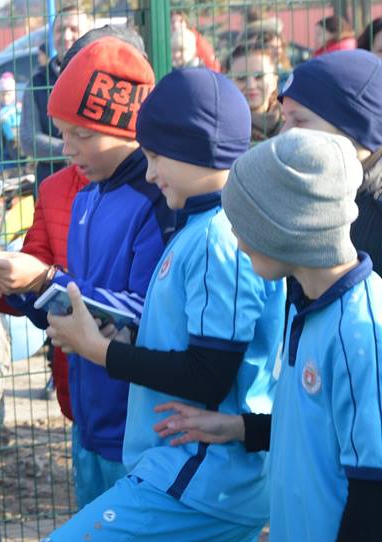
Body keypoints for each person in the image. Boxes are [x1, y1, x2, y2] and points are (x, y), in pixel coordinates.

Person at [43, 67, 284, 541]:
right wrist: (128, 336)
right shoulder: (200, 226)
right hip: (189, 472)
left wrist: (100, 350)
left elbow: (209, 374)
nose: (149, 173)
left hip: (203, 477)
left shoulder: (222, 237)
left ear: (197, 149)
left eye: (155, 157)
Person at [154, 129, 382, 542]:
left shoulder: (362, 331)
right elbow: (318, 431)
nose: (238, 243)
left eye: (247, 227)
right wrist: (240, 428)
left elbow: (374, 490)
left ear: (288, 228)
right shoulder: (305, 303)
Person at [0, 37, 173, 508]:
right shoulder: (87, 198)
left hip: (139, 431)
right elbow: (69, 304)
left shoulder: (156, 202)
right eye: (62, 132)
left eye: (81, 135)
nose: (67, 149)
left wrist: (44, 280)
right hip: (88, 424)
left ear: (128, 127)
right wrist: (15, 285)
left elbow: (145, 313)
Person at [278, 49, 382, 276]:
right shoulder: (301, 194)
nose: (284, 134)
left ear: (356, 129)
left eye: (300, 120)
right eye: (285, 119)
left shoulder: (376, 215)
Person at [19, 5, 92, 188]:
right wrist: (75, 150)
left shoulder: (103, 77)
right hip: (53, 185)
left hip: (97, 187)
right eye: (60, 30)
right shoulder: (37, 83)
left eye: (74, 29)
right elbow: (29, 139)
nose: (66, 36)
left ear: (89, 33)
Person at [225, 42, 282, 139]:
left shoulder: (293, 123)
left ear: (274, 82)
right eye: (241, 77)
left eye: (259, 76)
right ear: (228, 83)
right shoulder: (222, 129)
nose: (251, 86)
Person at [0, 72, 24, 175]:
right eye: (2, 94)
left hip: (19, 158)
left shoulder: (19, 110)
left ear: (14, 94)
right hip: (2, 162)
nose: (5, 97)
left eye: (9, 94)